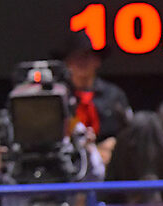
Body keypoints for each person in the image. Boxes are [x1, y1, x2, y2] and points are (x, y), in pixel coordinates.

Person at [54, 33, 130, 165]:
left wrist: (113, 146)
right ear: (67, 63)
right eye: (75, 57)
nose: (81, 61)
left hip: (107, 164)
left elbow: (128, 135)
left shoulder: (114, 95)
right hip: (65, 161)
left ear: (97, 61)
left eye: (87, 56)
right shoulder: (57, 97)